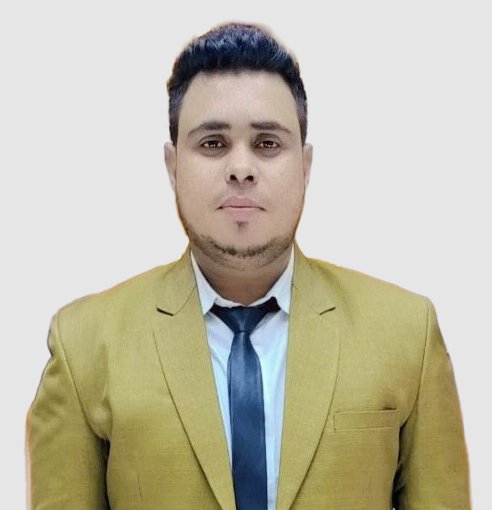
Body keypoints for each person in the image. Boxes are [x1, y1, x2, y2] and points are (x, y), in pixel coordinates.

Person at [26, 21, 471, 510]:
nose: (241, 168)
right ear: (173, 167)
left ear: (305, 167)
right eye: (213, 144)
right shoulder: (85, 346)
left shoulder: (405, 333)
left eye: (267, 144)